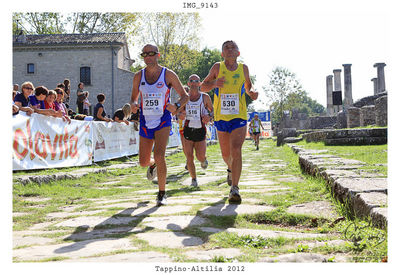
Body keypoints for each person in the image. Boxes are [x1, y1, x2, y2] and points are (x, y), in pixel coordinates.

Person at [130, 44, 188, 206]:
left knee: (160, 154)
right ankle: (152, 164)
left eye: (151, 54)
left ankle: (162, 193)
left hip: (163, 119)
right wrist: (134, 104)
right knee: (143, 161)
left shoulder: (168, 74)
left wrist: (176, 106)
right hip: (145, 120)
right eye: (145, 54)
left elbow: (185, 96)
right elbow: (134, 98)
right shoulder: (138, 76)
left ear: (158, 55)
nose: (148, 57)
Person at [200, 40, 258, 203]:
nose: (230, 49)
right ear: (222, 54)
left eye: (233, 47)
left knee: (236, 149)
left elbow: (248, 87)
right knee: (226, 154)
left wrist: (252, 93)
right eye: (226, 47)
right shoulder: (217, 68)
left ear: (238, 53)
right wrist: (214, 83)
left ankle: (235, 189)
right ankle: (230, 169)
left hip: (239, 115)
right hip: (221, 117)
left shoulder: (243, 68)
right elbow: (203, 87)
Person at [179, 75, 213, 187]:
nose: (194, 83)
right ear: (188, 83)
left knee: (200, 156)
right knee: (189, 156)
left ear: (200, 83)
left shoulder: (205, 97)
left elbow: (213, 112)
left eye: (196, 81)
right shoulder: (184, 98)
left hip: (200, 130)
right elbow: (179, 112)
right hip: (188, 130)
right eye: (191, 81)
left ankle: (203, 160)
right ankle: (194, 179)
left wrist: (208, 116)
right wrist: (181, 115)